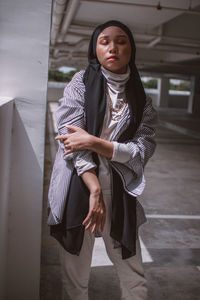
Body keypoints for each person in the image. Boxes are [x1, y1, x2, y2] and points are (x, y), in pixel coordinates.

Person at [47, 20, 157, 300]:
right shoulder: (80, 83)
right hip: (78, 184)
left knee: (134, 277)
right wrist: (94, 189)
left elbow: (142, 150)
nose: (113, 47)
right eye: (104, 41)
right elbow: (70, 140)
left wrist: (95, 142)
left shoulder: (142, 99)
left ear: (131, 48)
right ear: (94, 48)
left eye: (121, 41)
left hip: (120, 190)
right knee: (76, 279)